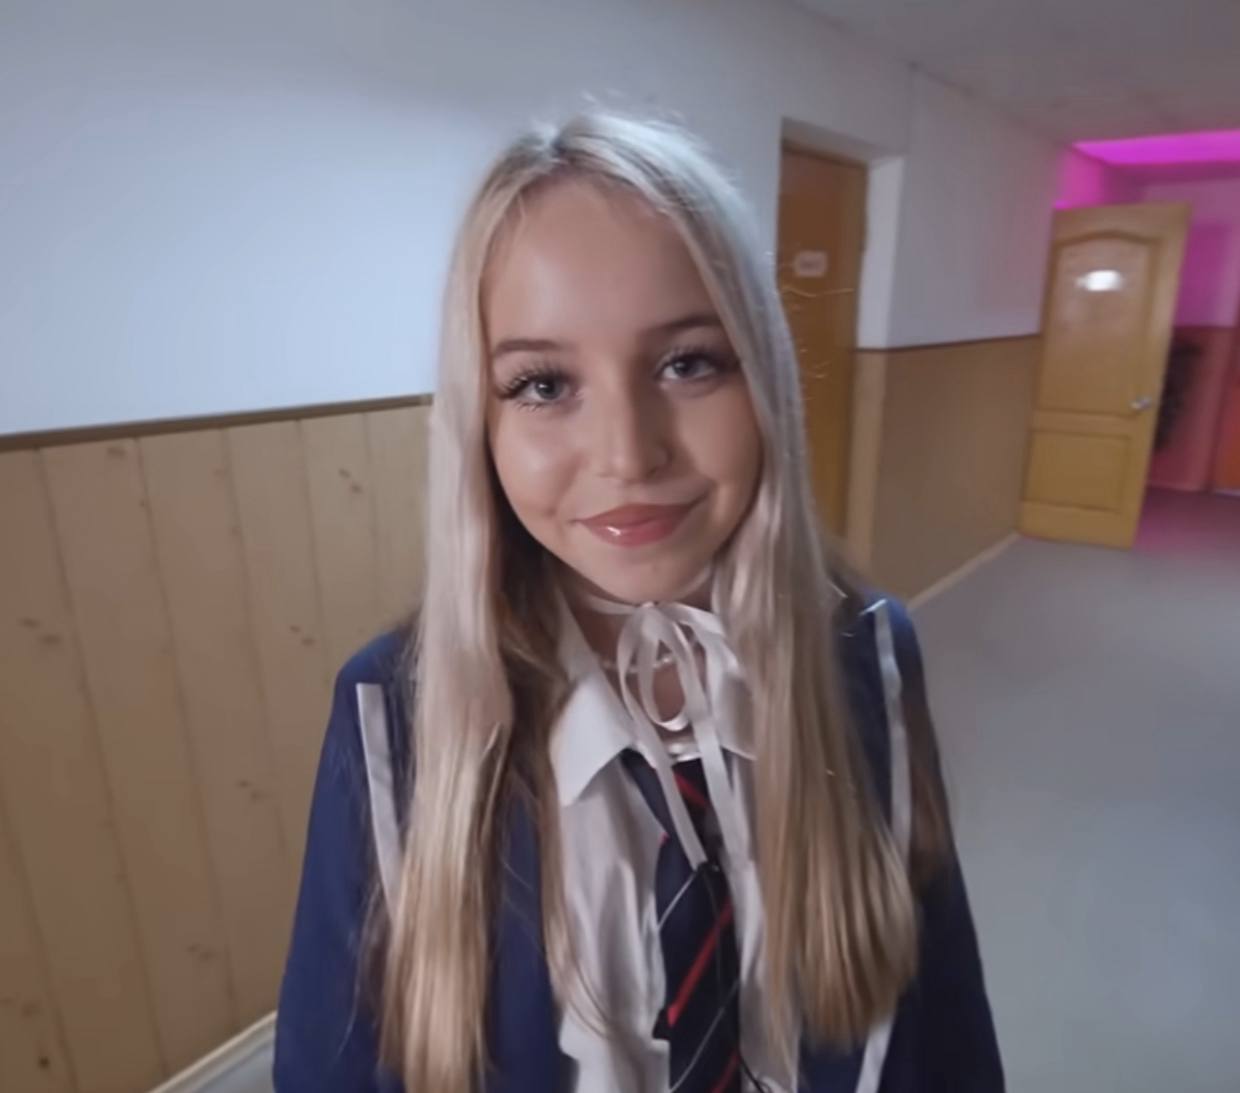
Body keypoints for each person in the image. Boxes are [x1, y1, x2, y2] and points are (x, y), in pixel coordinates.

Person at [274, 113, 1003, 1093]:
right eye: (543, 384)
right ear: (480, 422)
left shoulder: (867, 655)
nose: (628, 454)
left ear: (763, 378)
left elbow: (944, 1010)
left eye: (687, 363)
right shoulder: (395, 712)